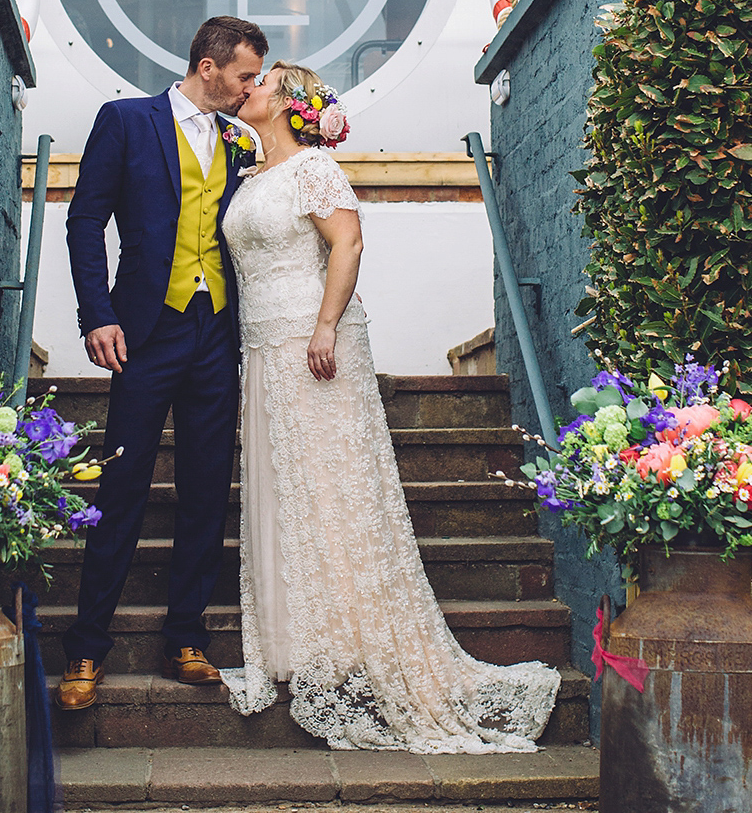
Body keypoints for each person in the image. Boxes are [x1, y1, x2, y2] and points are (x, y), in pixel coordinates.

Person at [218, 62, 560, 752]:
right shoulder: (251, 175)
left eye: (261, 81)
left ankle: (353, 641)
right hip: (261, 347)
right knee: (291, 492)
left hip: (315, 343)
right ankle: (300, 641)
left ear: (289, 104)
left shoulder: (315, 169)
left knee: (337, 490)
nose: (246, 86)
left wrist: (323, 326)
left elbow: (347, 243)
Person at [56, 15, 268, 711]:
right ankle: (87, 649)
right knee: (122, 491)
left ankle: (187, 637)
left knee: (209, 489)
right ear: (208, 66)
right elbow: (85, 221)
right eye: (243, 75)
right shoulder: (124, 121)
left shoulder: (242, 142)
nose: (249, 88)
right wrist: (98, 315)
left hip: (217, 332)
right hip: (144, 330)